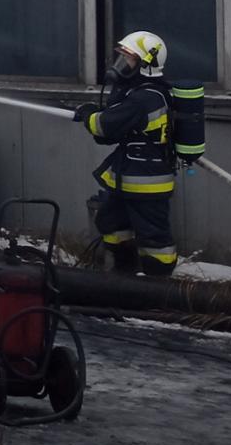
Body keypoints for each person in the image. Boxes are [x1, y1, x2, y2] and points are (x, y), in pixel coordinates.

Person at [75, 30, 179, 276]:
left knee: (155, 240)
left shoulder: (144, 99)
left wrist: (89, 114)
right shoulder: (141, 93)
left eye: (128, 58)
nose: (121, 64)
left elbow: (104, 126)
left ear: (145, 64)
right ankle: (123, 275)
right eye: (121, 57)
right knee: (111, 222)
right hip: (131, 177)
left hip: (147, 182)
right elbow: (112, 132)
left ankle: (159, 286)